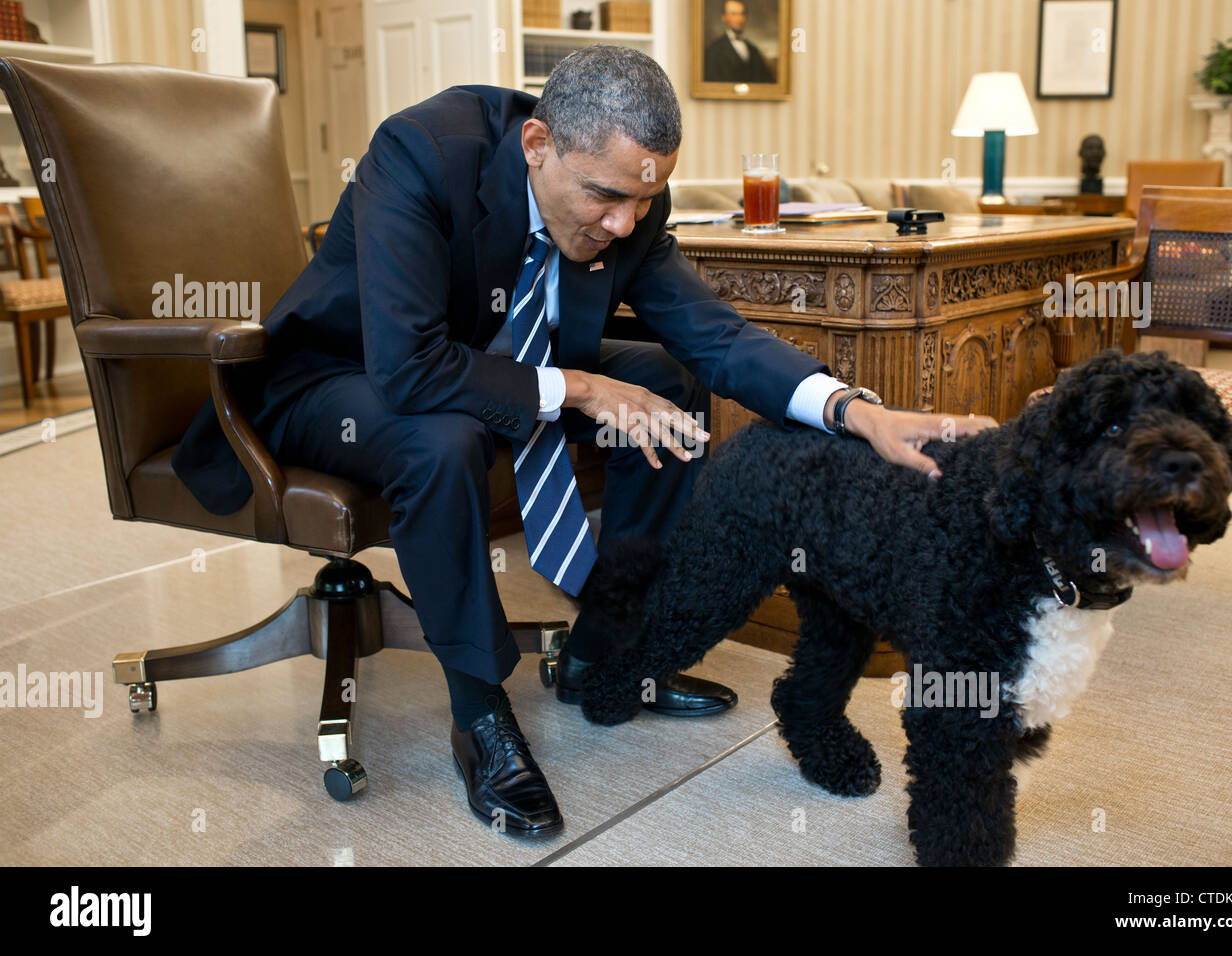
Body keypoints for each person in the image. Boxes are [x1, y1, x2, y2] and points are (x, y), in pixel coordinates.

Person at [170, 44, 994, 837]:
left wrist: (856, 411)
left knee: (670, 378)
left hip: (495, 365)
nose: (622, 221)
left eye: (643, 199)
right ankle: (481, 717)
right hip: (339, 378)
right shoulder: (420, 152)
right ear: (537, 144)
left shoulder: (631, 199)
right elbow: (411, 369)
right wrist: (589, 389)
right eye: (605, 195)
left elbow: (715, 334)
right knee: (445, 438)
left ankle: (610, 651)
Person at [703, 0, 775, 84]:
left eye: (742, 14)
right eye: (734, 14)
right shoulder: (713, 51)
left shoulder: (753, 50)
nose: (739, 19)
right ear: (724, 17)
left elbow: (767, 82)